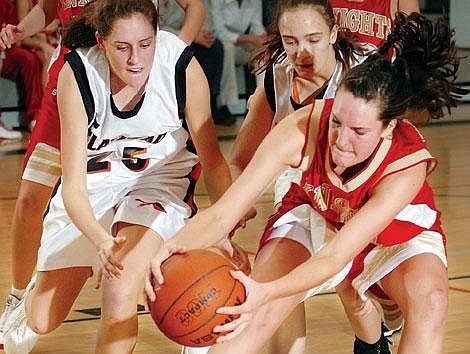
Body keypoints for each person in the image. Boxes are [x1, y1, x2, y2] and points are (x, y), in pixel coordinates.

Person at [147, 12, 468, 354]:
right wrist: (169, 247)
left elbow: (334, 257)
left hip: (394, 233)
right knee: (252, 314)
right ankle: (367, 331)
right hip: (316, 209)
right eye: (337, 122)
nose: (342, 140)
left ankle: (371, 329)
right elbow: (221, 215)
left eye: (359, 131)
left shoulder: (407, 166)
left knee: (431, 302)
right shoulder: (302, 127)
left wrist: (269, 291)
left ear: (389, 128)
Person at [1, 1, 250, 353]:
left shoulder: (179, 64)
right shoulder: (78, 72)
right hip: (96, 185)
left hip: (159, 182)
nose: (136, 59)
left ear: (157, 33)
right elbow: (72, 186)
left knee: (119, 291)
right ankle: (24, 301)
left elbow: (213, 162)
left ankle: (165, 262)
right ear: (101, 42)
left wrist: (223, 227)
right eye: (123, 48)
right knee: (42, 319)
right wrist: (100, 240)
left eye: (145, 45)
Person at [228, 0, 367, 352]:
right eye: (290, 41)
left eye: (313, 39)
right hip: (300, 192)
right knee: (278, 283)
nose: (301, 52)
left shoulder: (364, 74)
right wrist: (228, 217)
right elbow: (240, 158)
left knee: (353, 291)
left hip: (360, 193)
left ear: (334, 33)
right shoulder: (276, 75)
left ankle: (374, 339)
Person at [328, 0, 421, 337]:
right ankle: (370, 326)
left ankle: (386, 298)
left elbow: (415, 56)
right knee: (346, 233)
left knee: (383, 228)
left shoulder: (396, 2)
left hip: (380, 125)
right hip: (339, 119)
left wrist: (394, 117)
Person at [159, 0, 230, 126]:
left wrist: (200, 34)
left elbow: (198, 11)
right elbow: (156, 28)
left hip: (183, 39)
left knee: (215, 47)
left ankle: (209, 103)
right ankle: (181, 107)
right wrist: (192, 37)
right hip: (159, 41)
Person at [210, 0, 266, 124]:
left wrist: (263, 39)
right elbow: (218, 31)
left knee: (263, 49)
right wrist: (251, 39)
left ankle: (263, 101)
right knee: (226, 48)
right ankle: (225, 105)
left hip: (244, 43)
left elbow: (256, 26)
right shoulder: (217, 2)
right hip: (222, 43)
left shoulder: (255, 1)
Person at [0, 0, 43, 140]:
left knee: (30, 60)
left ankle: (36, 116)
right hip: (4, 48)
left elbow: (18, 36)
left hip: (10, 47)